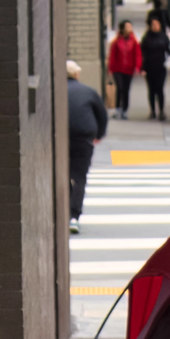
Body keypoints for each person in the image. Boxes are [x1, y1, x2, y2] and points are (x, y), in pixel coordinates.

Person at [63, 60, 107, 233]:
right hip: (83, 138)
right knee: (79, 176)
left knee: (63, 175)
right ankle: (74, 216)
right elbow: (102, 116)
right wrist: (99, 135)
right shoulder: (88, 91)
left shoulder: (56, 91)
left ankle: (62, 212)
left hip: (61, 137)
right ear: (76, 74)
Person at [106, 21, 141, 119]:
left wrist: (137, 67)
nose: (130, 28)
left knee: (126, 89)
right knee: (120, 88)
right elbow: (112, 55)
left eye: (130, 26)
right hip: (118, 68)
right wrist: (110, 68)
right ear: (123, 28)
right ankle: (118, 109)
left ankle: (125, 110)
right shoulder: (116, 41)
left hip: (129, 69)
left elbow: (137, 54)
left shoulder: (134, 41)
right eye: (128, 26)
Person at [140, 17, 170, 121]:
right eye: (153, 24)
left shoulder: (164, 37)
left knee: (160, 89)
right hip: (149, 67)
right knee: (151, 90)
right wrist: (142, 68)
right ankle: (152, 111)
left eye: (157, 24)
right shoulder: (147, 38)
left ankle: (161, 111)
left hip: (161, 67)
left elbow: (169, 50)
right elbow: (142, 53)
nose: (155, 26)